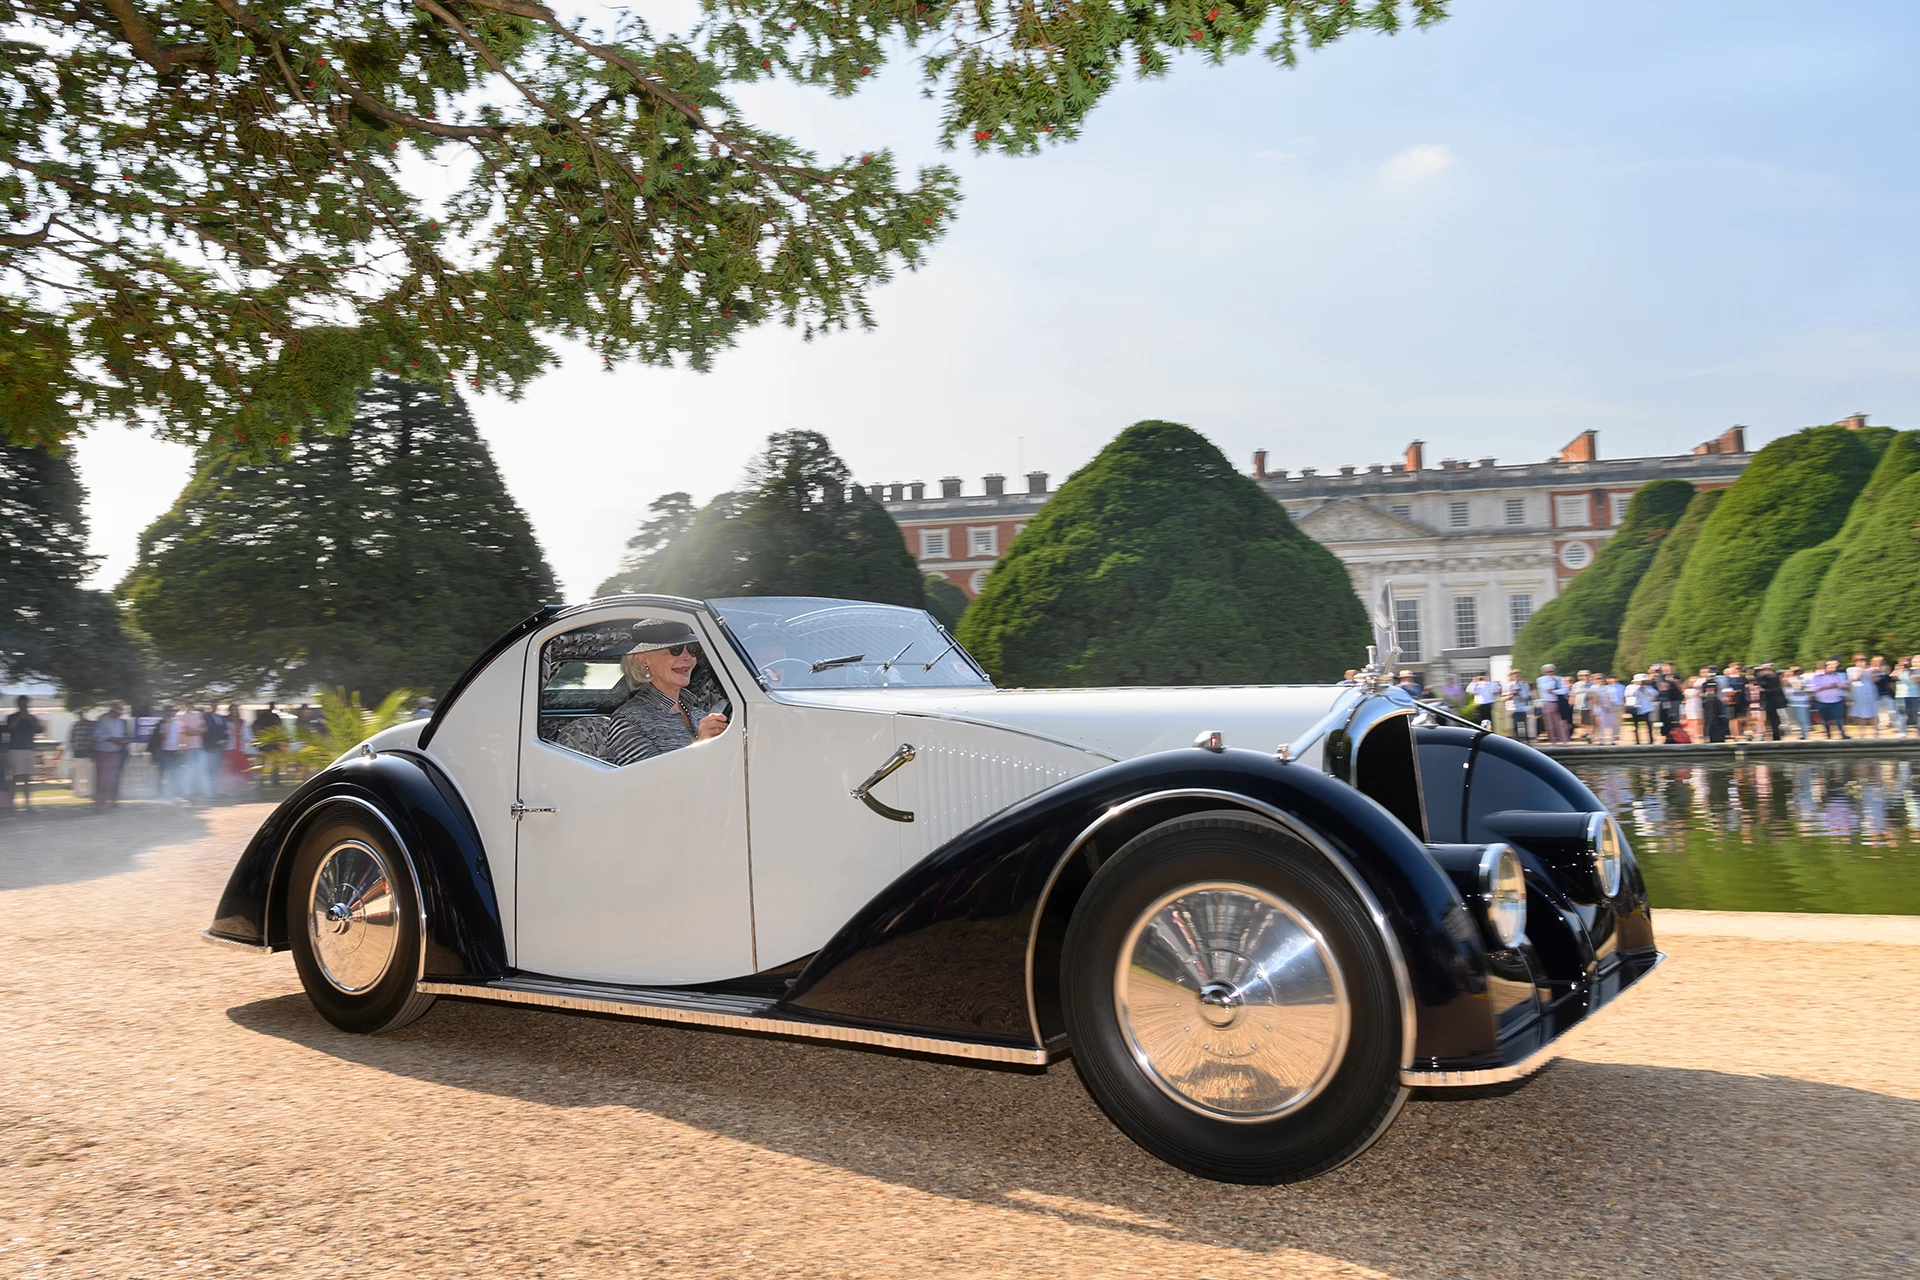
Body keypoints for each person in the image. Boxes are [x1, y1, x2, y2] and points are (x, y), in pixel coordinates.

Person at [557, 620, 730, 766]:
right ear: (643, 659)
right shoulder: (629, 719)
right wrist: (701, 746)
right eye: (675, 650)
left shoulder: (699, 715)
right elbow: (642, 788)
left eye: (691, 650)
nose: (688, 658)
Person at [5, 695, 44, 808]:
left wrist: (29, 718)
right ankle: (11, 804)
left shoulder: (31, 718)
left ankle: (28, 804)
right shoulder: (12, 717)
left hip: (29, 749)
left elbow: (39, 729)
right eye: (22, 704)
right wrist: (20, 717)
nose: (24, 706)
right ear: (18, 705)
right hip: (16, 749)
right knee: (15, 778)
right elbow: (10, 727)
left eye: (25, 704)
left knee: (27, 778)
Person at [94, 701, 132, 806]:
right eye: (117, 712)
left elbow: (122, 735)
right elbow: (97, 736)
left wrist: (123, 740)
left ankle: (114, 799)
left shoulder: (120, 722)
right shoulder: (103, 719)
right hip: (104, 751)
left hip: (116, 751)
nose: (119, 715)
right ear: (112, 711)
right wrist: (110, 739)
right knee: (103, 778)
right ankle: (101, 802)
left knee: (114, 777)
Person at [1808, 658, 1850, 739]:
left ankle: (1842, 733)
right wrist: (1830, 686)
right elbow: (1814, 689)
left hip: (1836, 700)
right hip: (1822, 701)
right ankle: (1828, 734)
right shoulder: (1817, 677)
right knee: (1825, 718)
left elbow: (1843, 685)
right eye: (1830, 667)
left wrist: (1837, 686)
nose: (1832, 669)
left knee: (1839, 717)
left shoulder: (1837, 676)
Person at [253, 703, 285, 787]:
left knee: (275, 762)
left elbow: (280, 728)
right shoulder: (262, 716)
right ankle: (261, 781)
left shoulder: (275, 717)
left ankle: (275, 781)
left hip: (273, 742)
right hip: (264, 742)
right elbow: (255, 726)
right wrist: (259, 737)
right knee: (262, 763)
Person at [1537, 664, 1570, 744]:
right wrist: (1552, 681)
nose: (1550, 674)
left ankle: (1564, 740)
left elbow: (1565, 690)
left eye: (1551, 671)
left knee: (1561, 722)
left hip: (1559, 703)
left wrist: (1555, 691)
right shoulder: (1541, 679)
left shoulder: (1560, 679)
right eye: (1547, 672)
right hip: (1548, 702)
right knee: (1550, 724)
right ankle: (1553, 740)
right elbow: (1545, 688)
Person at [68, 708, 96, 801]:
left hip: (88, 753)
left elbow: (94, 739)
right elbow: (72, 738)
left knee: (90, 775)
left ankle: (90, 791)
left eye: (82, 714)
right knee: (78, 775)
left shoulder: (91, 725)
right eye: (79, 715)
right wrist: (73, 749)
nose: (81, 716)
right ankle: (79, 792)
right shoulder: (75, 725)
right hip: (78, 753)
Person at [1755, 662, 1786, 741]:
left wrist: (1764, 690)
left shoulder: (1774, 678)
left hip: (1772, 701)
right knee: (1771, 719)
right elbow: (1759, 680)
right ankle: (1775, 734)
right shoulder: (1763, 678)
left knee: (1774, 719)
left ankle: (1777, 734)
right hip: (1768, 701)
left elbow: (1776, 689)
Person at [1720, 662, 1749, 741]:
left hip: (1742, 699)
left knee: (1741, 718)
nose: (1738, 670)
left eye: (1739, 668)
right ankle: (1735, 734)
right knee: (1733, 718)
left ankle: (1740, 733)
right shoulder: (1727, 679)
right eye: (1736, 668)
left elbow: (1747, 687)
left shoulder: (1743, 678)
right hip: (1731, 700)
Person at [1782, 666, 1812, 739]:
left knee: (1802, 719)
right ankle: (1802, 733)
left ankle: (1804, 734)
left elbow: (1805, 688)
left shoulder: (1803, 679)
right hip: (1792, 701)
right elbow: (1786, 689)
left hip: (1801, 701)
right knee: (1795, 719)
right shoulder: (1788, 680)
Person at [1505, 675, 1535, 743]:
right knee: (1515, 726)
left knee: (1525, 725)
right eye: (1515, 676)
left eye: (1518, 676)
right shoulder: (1509, 685)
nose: (1517, 678)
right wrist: (1512, 694)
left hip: (1523, 708)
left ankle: (1526, 739)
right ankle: (1517, 740)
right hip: (1513, 708)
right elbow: (1504, 698)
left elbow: (1526, 696)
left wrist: (1520, 695)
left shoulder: (1524, 685)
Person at [1597, 675, 1624, 745]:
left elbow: (1622, 697)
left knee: (1615, 723)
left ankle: (1614, 737)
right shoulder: (1604, 688)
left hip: (1616, 706)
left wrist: (1622, 706)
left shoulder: (1621, 687)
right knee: (1603, 724)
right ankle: (1602, 738)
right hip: (1604, 708)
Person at [1899, 658, 1920, 738]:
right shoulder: (1900, 672)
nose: (1906, 666)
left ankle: (1918, 731)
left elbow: (1917, 679)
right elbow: (1893, 677)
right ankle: (1902, 732)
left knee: (1916, 714)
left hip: (1914, 695)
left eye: (1908, 664)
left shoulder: (1916, 671)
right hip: (1903, 695)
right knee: (1904, 715)